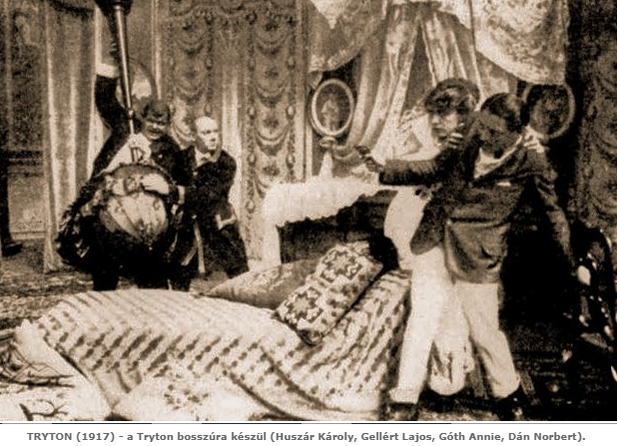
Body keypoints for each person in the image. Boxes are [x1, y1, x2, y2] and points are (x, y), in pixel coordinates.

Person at [362, 93, 581, 421]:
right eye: (483, 126)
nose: (484, 135)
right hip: (435, 236)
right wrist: (384, 169)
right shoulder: (471, 131)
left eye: (494, 132)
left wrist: (571, 263)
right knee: (423, 316)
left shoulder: (532, 161)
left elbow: (553, 214)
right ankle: (404, 399)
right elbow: (435, 168)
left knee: (484, 331)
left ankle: (509, 396)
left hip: (479, 255)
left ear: (517, 132)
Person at [57, 56, 188, 291]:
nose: (156, 127)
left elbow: (182, 183)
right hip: (108, 208)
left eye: (162, 124)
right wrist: (110, 65)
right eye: (151, 121)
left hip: (146, 220)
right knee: (104, 268)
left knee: (152, 277)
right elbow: (105, 100)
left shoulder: (171, 149)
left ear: (168, 125)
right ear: (143, 118)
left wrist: (165, 187)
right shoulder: (125, 128)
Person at [382, 78, 480, 271]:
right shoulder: (430, 145)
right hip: (411, 233)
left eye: (443, 114)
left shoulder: (477, 145)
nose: (435, 121)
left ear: (463, 116)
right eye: (432, 114)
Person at [168, 116, 249, 291]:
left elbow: (208, 195)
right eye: (206, 133)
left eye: (215, 131)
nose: (213, 137)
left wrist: (173, 191)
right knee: (179, 271)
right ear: (193, 136)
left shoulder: (226, 162)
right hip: (189, 222)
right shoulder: (181, 158)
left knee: (239, 271)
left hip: (218, 221)